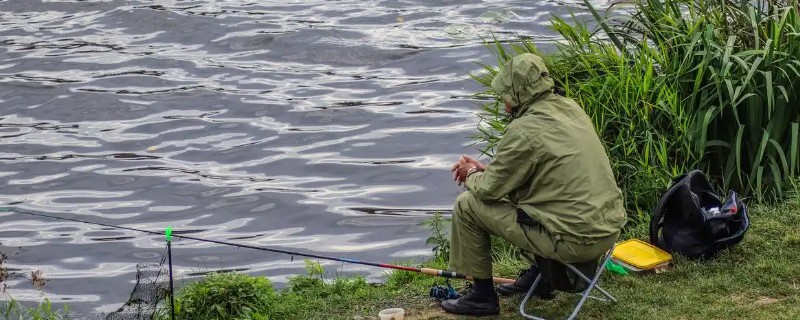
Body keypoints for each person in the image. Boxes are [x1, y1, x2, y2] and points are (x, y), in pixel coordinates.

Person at [441, 52, 627, 316]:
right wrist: (487, 169)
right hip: (608, 231)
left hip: (574, 241)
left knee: (467, 205)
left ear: (518, 95)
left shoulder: (523, 129)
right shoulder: (570, 107)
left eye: (506, 96)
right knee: (535, 202)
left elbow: (487, 190)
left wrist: (470, 172)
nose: (505, 105)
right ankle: (538, 278)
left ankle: (481, 296)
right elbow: (541, 172)